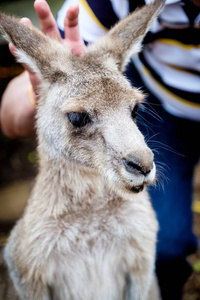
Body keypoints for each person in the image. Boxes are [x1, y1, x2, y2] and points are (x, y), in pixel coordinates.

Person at [1, 0, 200, 299]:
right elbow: (10, 118)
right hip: (168, 103)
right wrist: (44, 92)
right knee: (169, 241)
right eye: (79, 118)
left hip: (126, 115)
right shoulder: (113, 2)